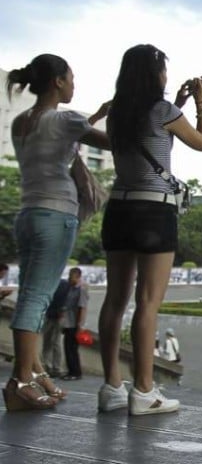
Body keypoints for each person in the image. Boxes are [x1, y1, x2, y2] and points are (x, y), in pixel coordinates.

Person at [95, 45, 202, 416]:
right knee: (147, 302)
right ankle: (144, 390)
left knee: (115, 300)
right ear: (154, 74)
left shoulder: (117, 113)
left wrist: (175, 101)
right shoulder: (164, 111)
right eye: (162, 69)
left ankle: (112, 385)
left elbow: (147, 138)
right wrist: (200, 105)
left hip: (119, 207)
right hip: (153, 209)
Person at [3, 54, 109, 412]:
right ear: (57, 82)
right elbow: (109, 143)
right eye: (71, 78)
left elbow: (62, 138)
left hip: (29, 213)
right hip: (57, 214)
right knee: (36, 298)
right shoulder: (66, 119)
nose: (74, 85)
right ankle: (19, 382)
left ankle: (34, 375)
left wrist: (94, 115)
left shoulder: (21, 122)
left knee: (34, 297)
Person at [59, 267, 88, 380]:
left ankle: (76, 372)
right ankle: (71, 371)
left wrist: (80, 325)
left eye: (73, 276)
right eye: (70, 276)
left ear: (78, 277)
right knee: (67, 347)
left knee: (72, 349)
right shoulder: (70, 289)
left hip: (74, 323)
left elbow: (82, 308)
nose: (70, 278)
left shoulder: (81, 290)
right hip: (67, 322)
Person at [41, 277, 70, 377]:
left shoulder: (60, 284)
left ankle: (48, 365)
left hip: (53, 315)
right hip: (56, 315)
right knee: (55, 342)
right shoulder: (65, 284)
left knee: (50, 341)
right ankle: (55, 367)